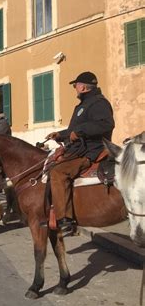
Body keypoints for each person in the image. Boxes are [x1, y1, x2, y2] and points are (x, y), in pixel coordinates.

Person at [44, 71, 114, 229]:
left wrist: (80, 131)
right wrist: (60, 135)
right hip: (79, 148)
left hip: (90, 151)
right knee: (50, 165)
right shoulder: (84, 105)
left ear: (83, 87)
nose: (74, 88)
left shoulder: (98, 103)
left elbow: (106, 124)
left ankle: (64, 217)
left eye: (75, 85)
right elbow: (75, 130)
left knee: (58, 172)